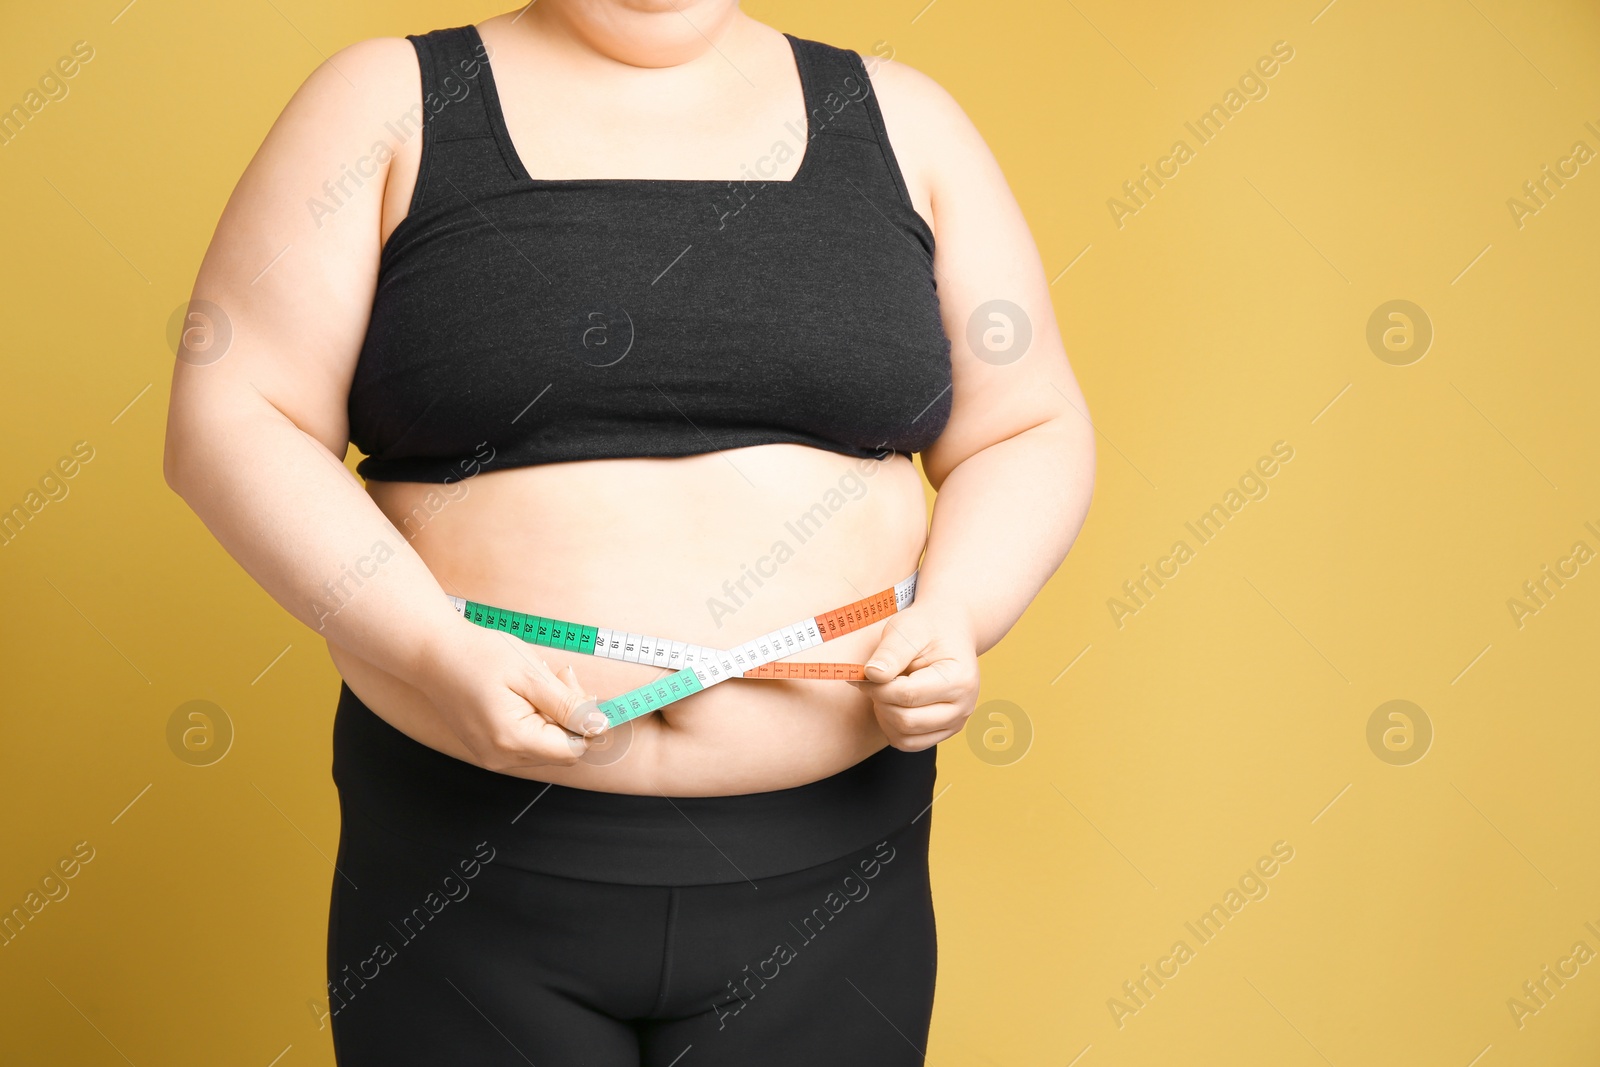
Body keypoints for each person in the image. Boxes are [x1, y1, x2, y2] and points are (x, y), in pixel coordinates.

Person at [163, 2, 1094, 1063]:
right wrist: (430, 644)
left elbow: (1027, 425)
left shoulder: (905, 121)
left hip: (837, 878)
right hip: (464, 869)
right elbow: (231, 417)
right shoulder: (383, 106)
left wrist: (963, 605)